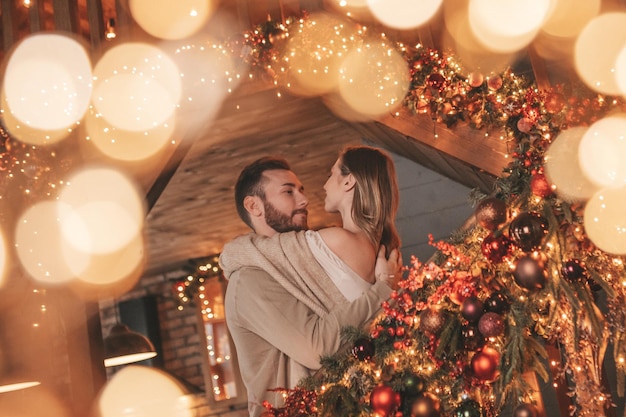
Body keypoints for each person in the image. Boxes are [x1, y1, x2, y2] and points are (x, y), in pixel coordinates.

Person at [220, 146, 401, 417]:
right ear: (253, 206)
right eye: (288, 191)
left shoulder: (310, 259)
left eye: (301, 190)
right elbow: (316, 348)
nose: (304, 200)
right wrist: (382, 292)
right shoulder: (250, 279)